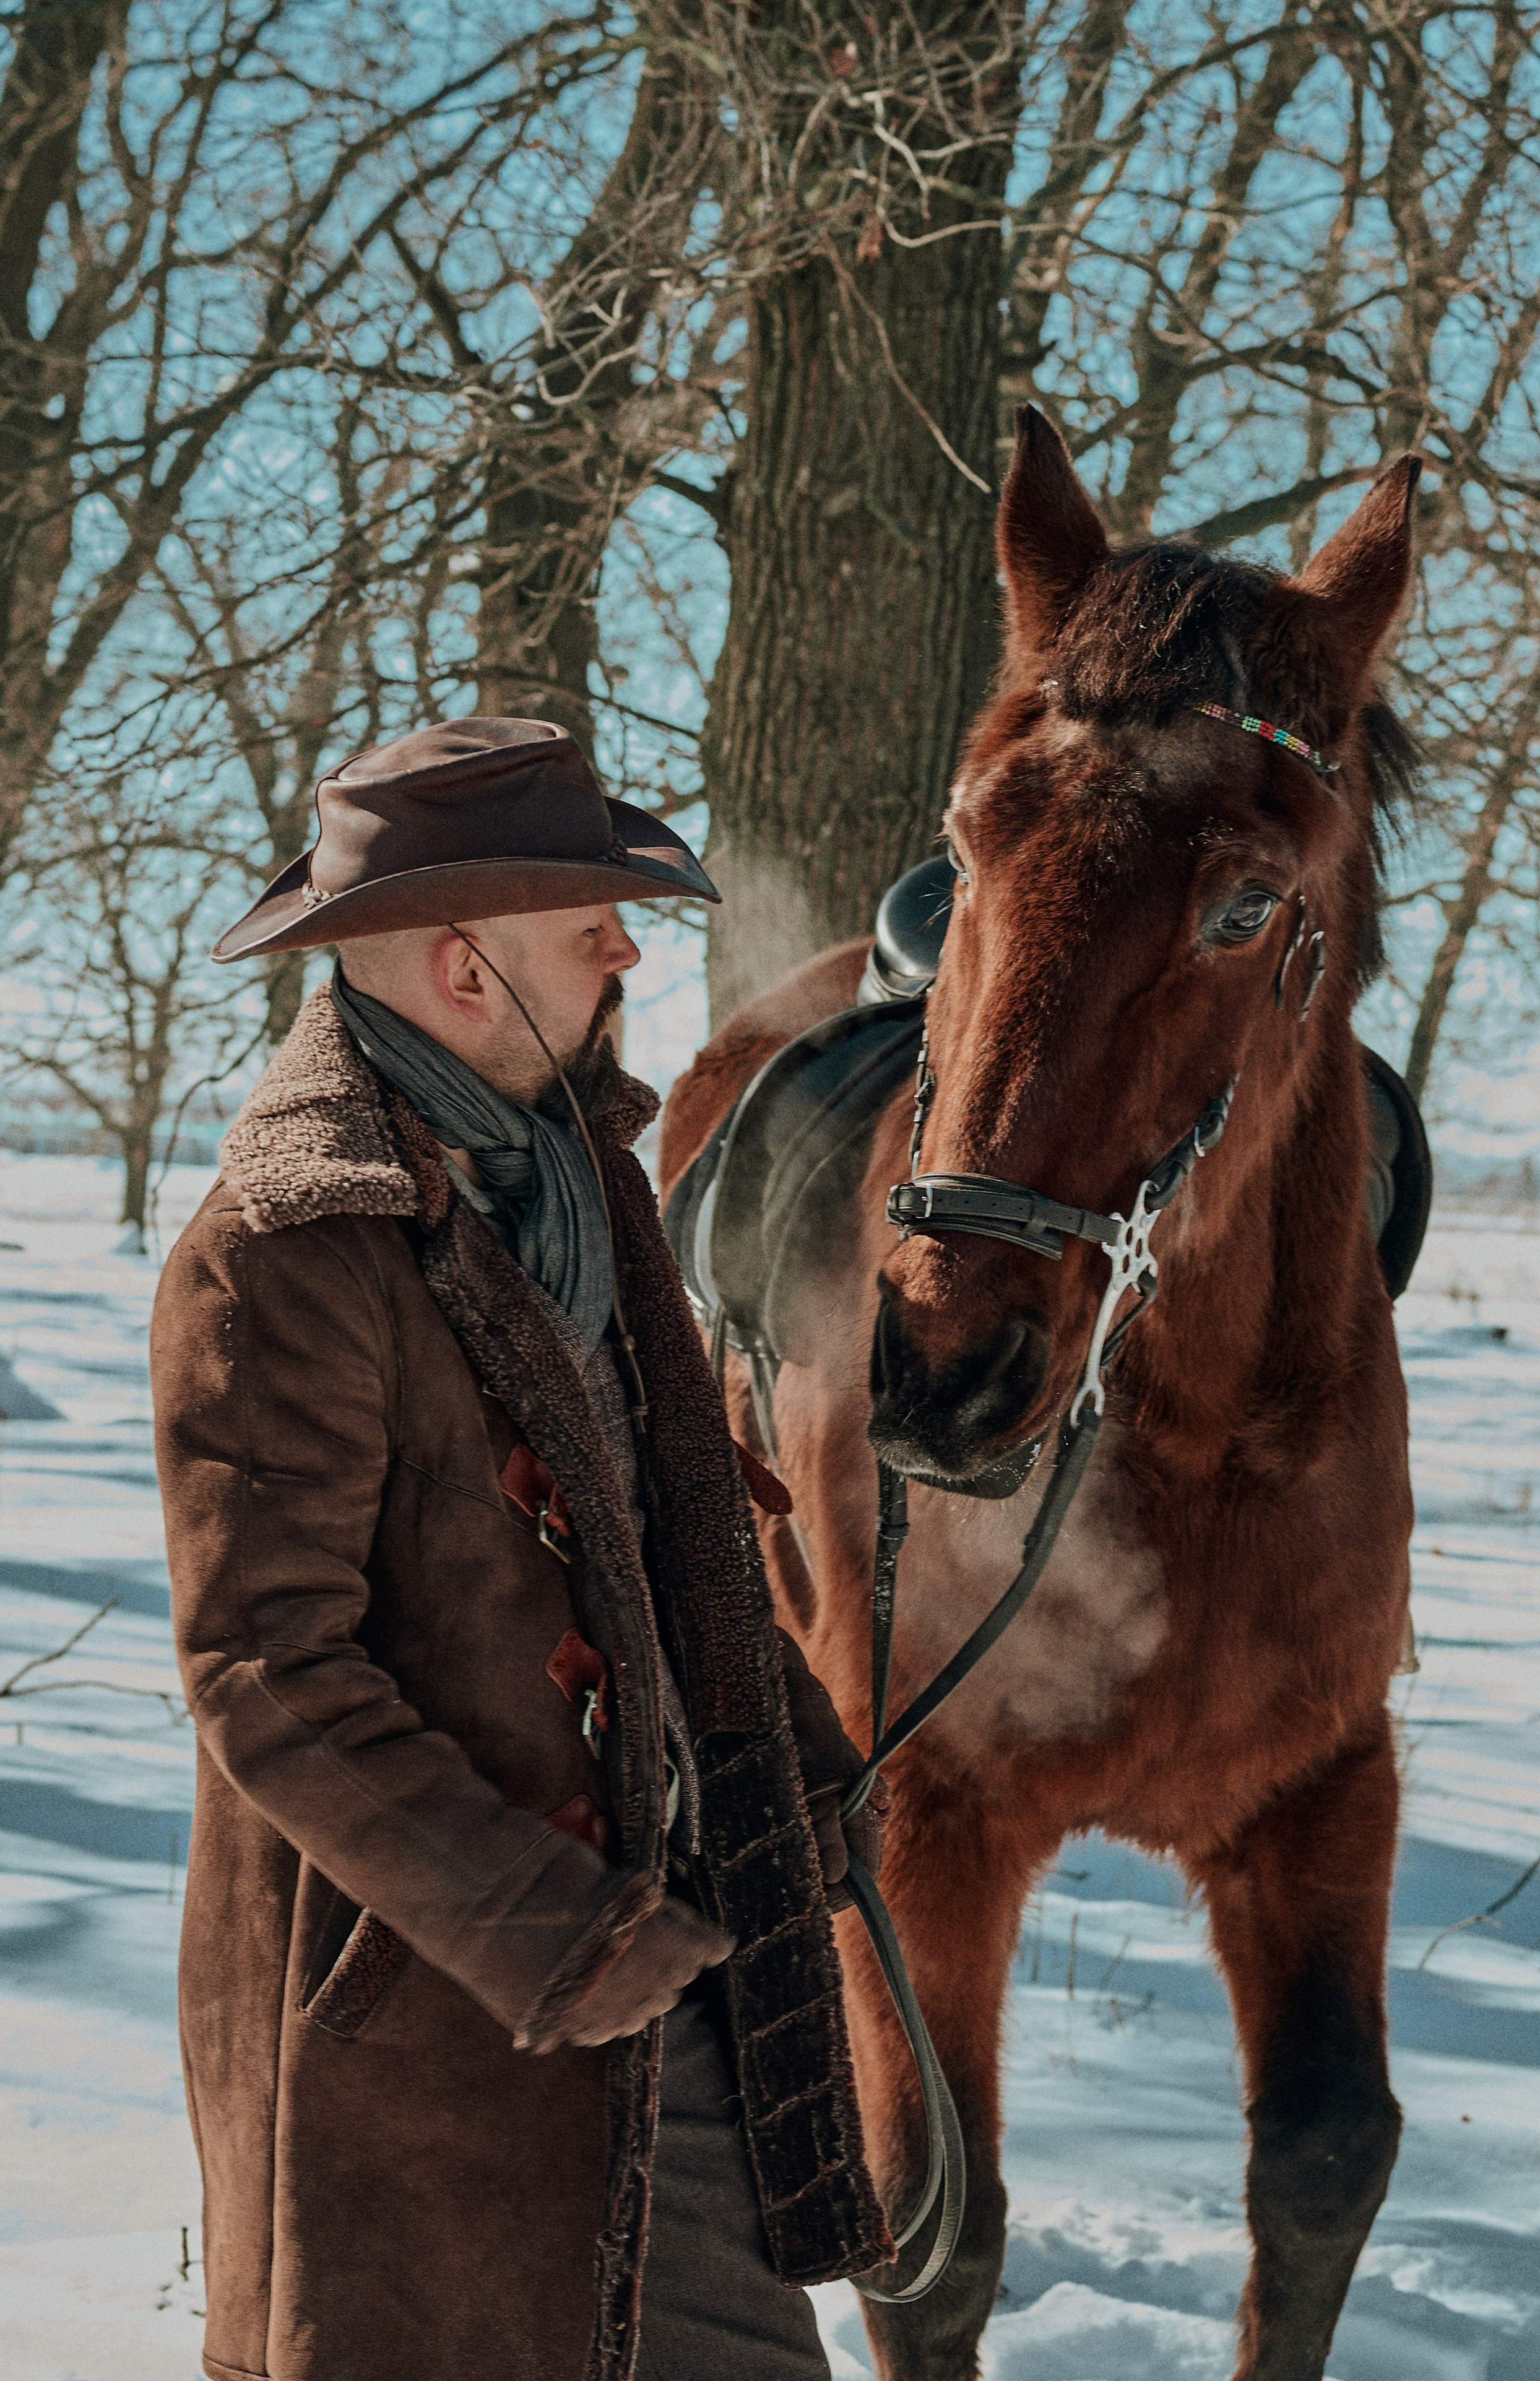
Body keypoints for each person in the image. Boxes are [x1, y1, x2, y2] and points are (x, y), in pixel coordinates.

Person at [149, 717, 890, 2381]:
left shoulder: (579, 1180)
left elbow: (667, 1531)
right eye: (589, 923)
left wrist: (800, 1764)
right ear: (462, 963)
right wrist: (549, 1931)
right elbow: (265, 1672)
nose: (632, 948)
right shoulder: (276, 1260)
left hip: (660, 1954)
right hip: (429, 2019)